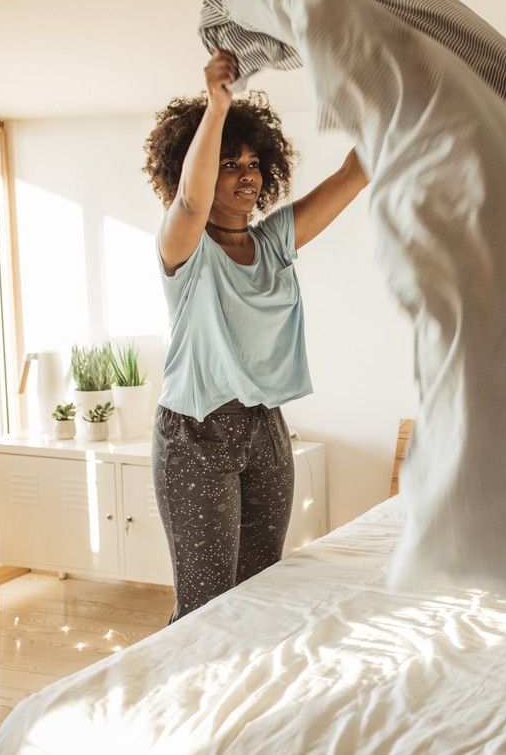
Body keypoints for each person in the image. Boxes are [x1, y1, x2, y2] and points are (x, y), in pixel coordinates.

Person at [141, 50, 368, 622]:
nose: (247, 174)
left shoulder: (272, 243)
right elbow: (192, 202)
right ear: (195, 167)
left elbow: (353, 175)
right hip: (195, 435)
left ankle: (245, 704)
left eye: (252, 163)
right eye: (227, 162)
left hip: (265, 428)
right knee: (205, 604)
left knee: (259, 591)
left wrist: (389, 108)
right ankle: (182, 704)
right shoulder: (184, 248)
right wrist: (219, 105)